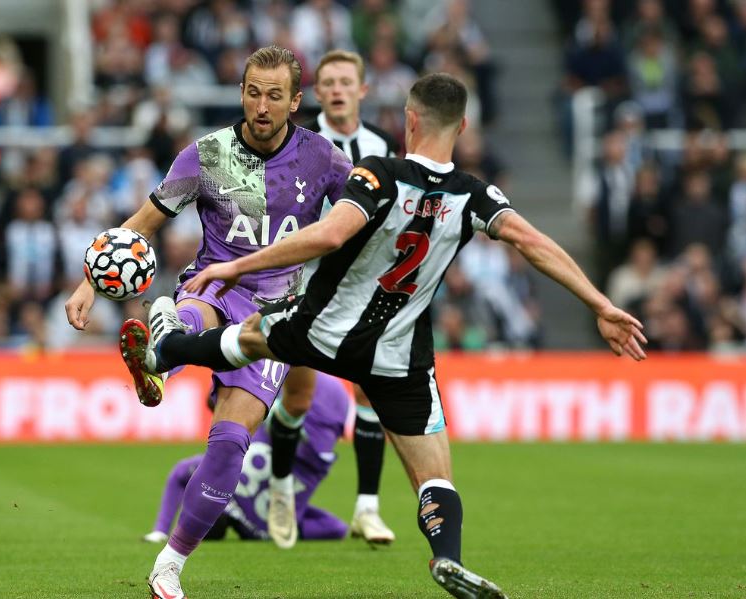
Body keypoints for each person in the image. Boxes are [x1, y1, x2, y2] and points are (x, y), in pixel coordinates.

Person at [122, 73, 647, 598]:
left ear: (410, 121)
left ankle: (168, 347)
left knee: (254, 337)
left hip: (326, 327)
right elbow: (534, 244)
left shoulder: (378, 175)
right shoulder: (475, 195)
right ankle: (448, 557)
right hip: (397, 355)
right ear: (462, 126)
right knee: (435, 474)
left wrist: (236, 269)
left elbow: (328, 235)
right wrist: (601, 305)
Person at [65, 45, 352, 599]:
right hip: (212, 286)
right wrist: (88, 285)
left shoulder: (324, 160)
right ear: (240, 92)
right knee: (189, 312)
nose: (262, 106)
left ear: (296, 100)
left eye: (275, 95)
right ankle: (161, 355)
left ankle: (169, 566)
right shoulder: (206, 155)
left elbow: (357, 223)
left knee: (228, 446)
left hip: (276, 318)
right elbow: (143, 223)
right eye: (253, 92)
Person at [265, 49, 399, 547]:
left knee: (370, 390)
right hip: (303, 283)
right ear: (318, 93)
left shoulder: (382, 146)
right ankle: (280, 489)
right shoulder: (299, 145)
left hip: (363, 286)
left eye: (348, 81)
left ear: (363, 90)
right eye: (330, 82)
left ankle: (368, 507)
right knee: (297, 396)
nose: (339, 89)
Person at [143, 372, 350, 544]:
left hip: (316, 444)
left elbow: (334, 528)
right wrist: (160, 531)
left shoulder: (259, 531)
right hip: (303, 422)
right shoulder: (221, 480)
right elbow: (180, 473)